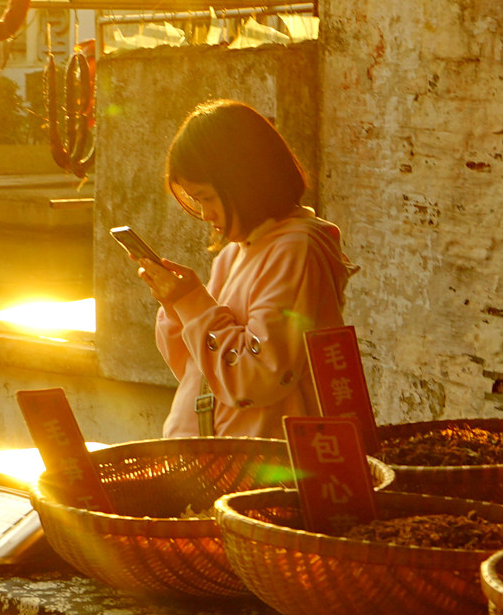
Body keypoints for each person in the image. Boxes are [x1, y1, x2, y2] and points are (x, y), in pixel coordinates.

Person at [134, 100, 351, 439]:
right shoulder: (234, 254)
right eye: (196, 201)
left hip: (262, 461)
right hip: (216, 455)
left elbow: (257, 375)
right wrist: (176, 303)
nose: (205, 215)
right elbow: (198, 370)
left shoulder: (295, 249)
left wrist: (192, 304)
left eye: (207, 198)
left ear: (244, 181)